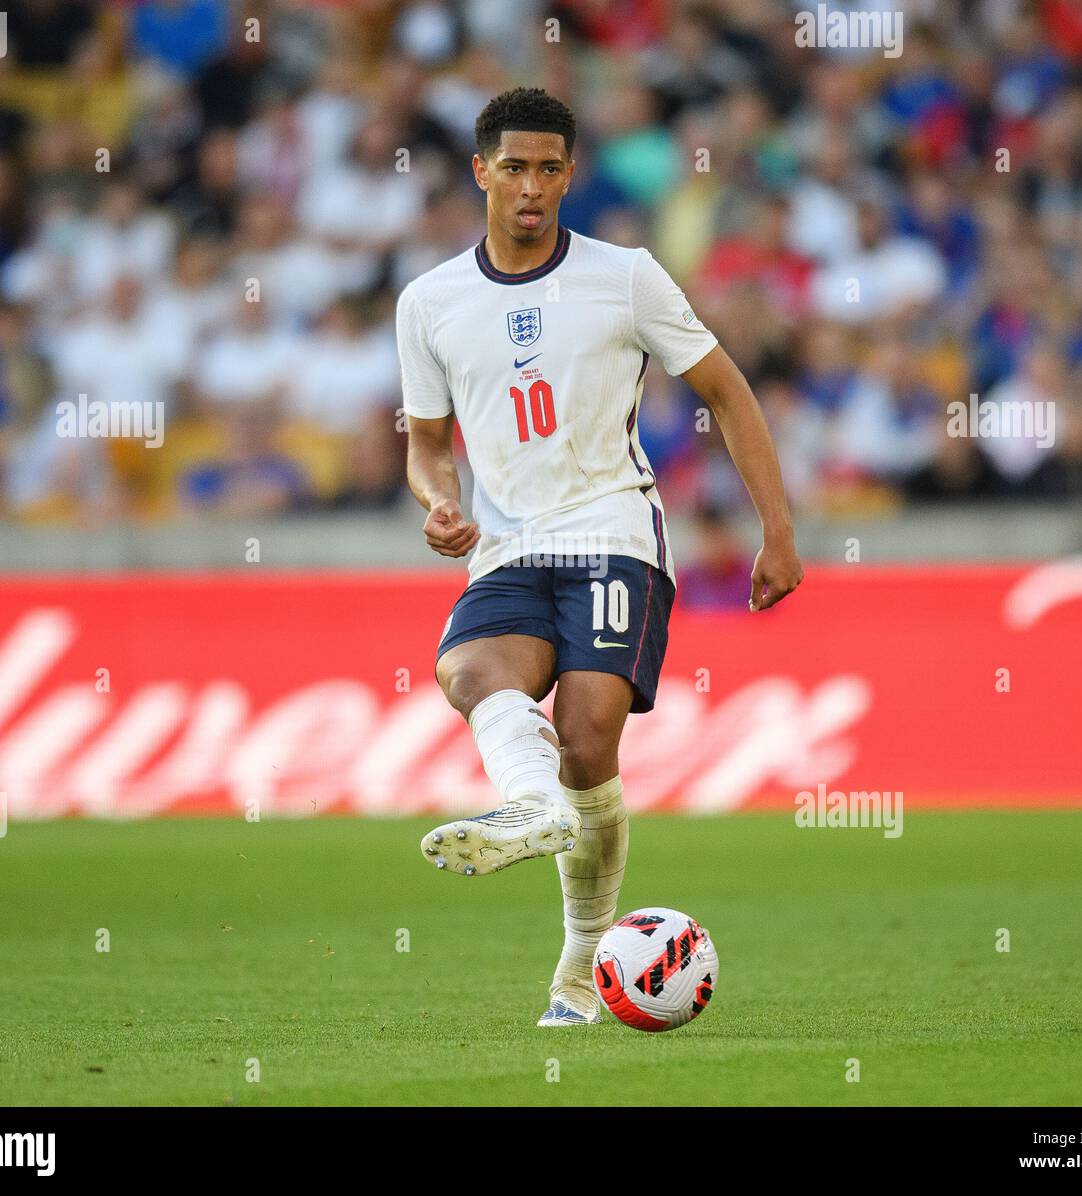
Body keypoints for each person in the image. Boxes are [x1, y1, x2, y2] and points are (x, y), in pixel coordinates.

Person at [396, 88, 802, 1026]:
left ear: (569, 175)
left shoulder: (626, 277)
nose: (531, 187)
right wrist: (438, 497)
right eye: (514, 168)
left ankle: (580, 966)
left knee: (587, 743)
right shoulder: (430, 303)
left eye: (549, 169)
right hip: (504, 546)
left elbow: (728, 392)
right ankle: (532, 808)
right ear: (480, 172)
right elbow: (423, 444)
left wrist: (775, 529)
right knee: (467, 671)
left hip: (613, 530)